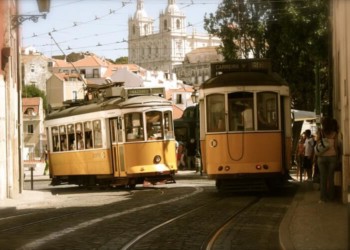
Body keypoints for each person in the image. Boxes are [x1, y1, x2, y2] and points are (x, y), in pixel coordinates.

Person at [316, 117, 339, 203]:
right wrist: (337, 156)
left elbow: (317, 143)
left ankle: (323, 198)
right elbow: (336, 147)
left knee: (323, 178)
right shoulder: (334, 133)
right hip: (332, 157)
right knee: (331, 178)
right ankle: (331, 197)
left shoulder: (321, 132)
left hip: (321, 157)